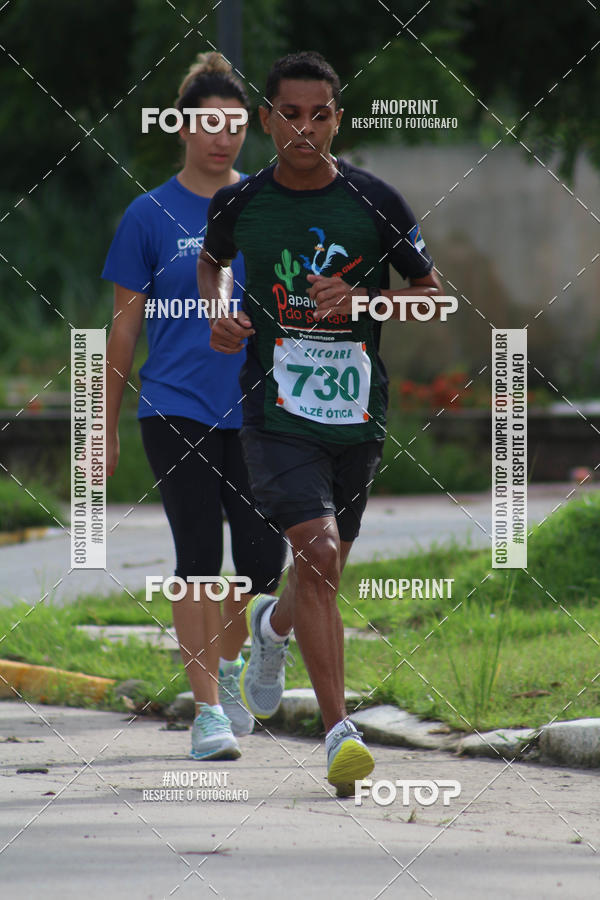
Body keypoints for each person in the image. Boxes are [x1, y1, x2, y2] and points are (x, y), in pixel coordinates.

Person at [199, 50, 443, 795]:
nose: (305, 129)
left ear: (337, 117)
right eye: (290, 114)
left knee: (324, 570)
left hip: (355, 413)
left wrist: (363, 303)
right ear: (267, 119)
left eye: (321, 114)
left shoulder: (377, 204)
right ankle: (341, 731)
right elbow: (214, 266)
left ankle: (272, 627)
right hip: (274, 411)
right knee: (318, 547)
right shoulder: (240, 205)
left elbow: (434, 297)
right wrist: (219, 312)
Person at [102, 52, 286, 762]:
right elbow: (122, 327)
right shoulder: (147, 215)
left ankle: (239, 666)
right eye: (210, 124)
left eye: (236, 126)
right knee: (198, 556)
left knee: (261, 567)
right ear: (182, 126)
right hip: (175, 405)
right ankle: (206, 712)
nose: (223, 138)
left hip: (261, 407)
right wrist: (104, 426)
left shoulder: (269, 203)